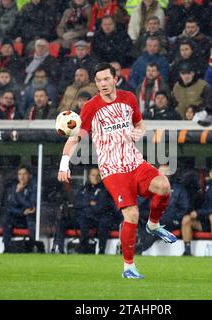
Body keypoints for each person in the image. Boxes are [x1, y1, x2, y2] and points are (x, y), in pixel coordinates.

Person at [58, 62, 177, 279]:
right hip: (112, 169)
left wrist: (139, 133)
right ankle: (128, 267)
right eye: (98, 80)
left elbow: (141, 125)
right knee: (131, 213)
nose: (102, 84)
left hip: (134, 162)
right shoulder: (91, 107)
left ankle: (153, 225)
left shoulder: (129, 98)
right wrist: (64, 164)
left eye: (106, 79)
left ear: (115, 79)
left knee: (164, 186)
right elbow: (75, 138)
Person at [137, 165, 190, 252]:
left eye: (166, 172)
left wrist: (173, 218)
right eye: (161, 172)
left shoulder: (179, 189)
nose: (164, 175)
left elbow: (185, 208)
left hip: (170, 221)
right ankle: (132, 247)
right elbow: (141, 205)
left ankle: (140, 248)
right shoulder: (151, 187)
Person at [75, 167, 119, 254]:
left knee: (104, 222)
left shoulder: (106, 190)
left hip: (101, 217)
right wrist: (89, 203)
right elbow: (77, 204)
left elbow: (104, 205)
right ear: (89, 176)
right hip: (87, 217)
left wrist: (91, 206)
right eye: (93, 175)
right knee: (82, 219)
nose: (95, 177)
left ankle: (101, 251)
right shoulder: (84, 189)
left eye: (98, 175)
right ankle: (84, 250)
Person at [2, 165, 37, 253]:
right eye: (19, 174)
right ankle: (7, 249)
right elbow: (10, 207)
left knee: (31, 219)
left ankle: (33, 248)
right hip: (19, 216)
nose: (22, 177)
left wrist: (19, 194)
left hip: (31, 218)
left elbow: (31, 206)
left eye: (25, 174)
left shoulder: (33, 187)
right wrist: (22, 212)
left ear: (30, 175)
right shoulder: (14, 188)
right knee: (7, 220)